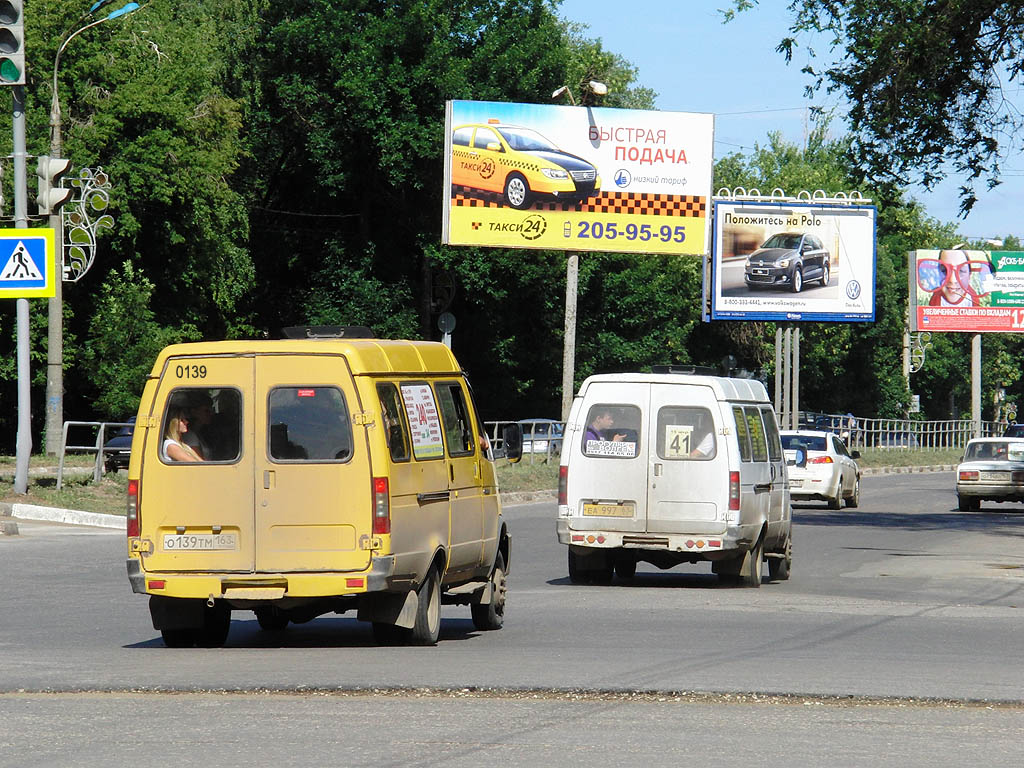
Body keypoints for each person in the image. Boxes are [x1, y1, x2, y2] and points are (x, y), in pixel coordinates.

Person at [922, 250, 992, 307]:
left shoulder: (972, 298)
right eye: (945, 270)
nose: (953, 280)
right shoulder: (936, 297)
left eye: (961, 271)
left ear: (969, 274)